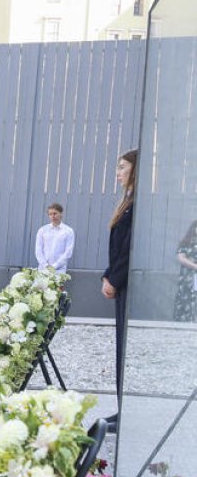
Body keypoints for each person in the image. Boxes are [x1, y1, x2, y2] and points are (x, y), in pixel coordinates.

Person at [102, 149, 136, 429]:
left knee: (125, 349)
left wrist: (114, 279)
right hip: (119, 282)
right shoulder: (127, 201)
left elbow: (129, 250)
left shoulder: (138, 205)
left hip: (126, 285)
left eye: (122, 166)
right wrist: (107, 275)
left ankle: (125, 411)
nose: (118, 172)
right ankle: (121, 409)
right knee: (119, 348)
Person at [34, 203, 74, 274]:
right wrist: (46, 265)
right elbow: (38, 250)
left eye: (55, 213)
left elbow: (68, 252)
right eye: (50, 214)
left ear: (61, 214)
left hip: (59, 270)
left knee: (57, 285)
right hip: (43, 269)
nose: (53, 216)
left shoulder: (68, 231)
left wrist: (54, 266)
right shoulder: (42, 230)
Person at [174, 220, 197, 322]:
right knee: (185, 298)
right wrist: (195, 266)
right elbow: (181, 258)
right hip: (188, 277)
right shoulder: (186, 242)